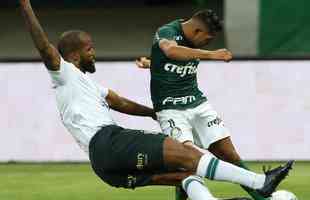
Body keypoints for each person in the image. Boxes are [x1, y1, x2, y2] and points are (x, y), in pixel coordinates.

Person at [19, 1, 293, 200]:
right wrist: (26, 5)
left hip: (104, 166)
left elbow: (120, 103)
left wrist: (152, 112)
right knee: (187, 154)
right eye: (90, 48)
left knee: (183, 173)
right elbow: (44, 47)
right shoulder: (64, 73)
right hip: (108, 142)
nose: (94, 52)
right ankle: (260, 182)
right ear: (75, 55)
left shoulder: (87, 84)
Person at [136, 9, 276, 200]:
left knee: (230, 155)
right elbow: (170, 50)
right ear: (197, 32)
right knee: (185, 162)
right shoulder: (167, 31)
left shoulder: (192, 44)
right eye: (207, 39)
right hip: (170, 109)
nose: (208, 43)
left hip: (198, 104)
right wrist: (211, 55)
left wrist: (151, 64)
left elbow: (170, 62)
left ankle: (262, 197)